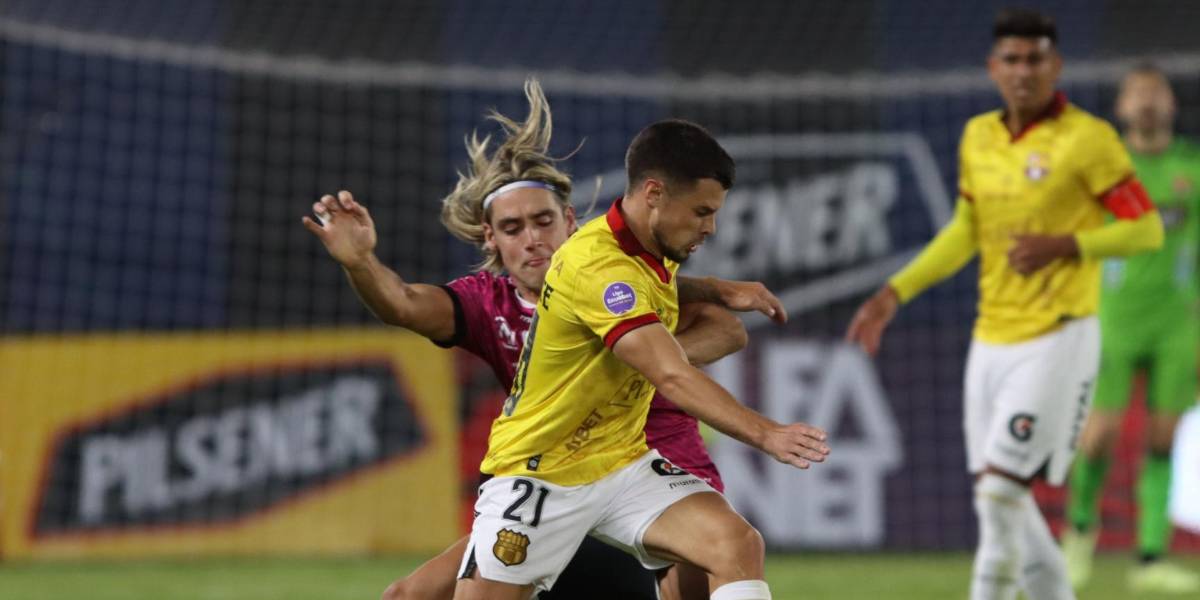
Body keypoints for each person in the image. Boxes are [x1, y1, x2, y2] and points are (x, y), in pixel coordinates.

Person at [302, 79, 781, 600]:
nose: (532, 239)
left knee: (727, 551)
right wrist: (361, 262)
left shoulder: (625, 268)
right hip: (544, 477)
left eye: (543, 221)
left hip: (645, 461)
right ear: (491, 238)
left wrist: (646, 354)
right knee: (407, 596)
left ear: (569, 221)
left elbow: (724, 328)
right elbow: (402, 304)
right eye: (512, 228)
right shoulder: (487, 304)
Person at [844, 9, 1164, 600]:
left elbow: (1145, 229)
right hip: (990, 340)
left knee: (998, 495)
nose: (1024, 71)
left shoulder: (1089, 139)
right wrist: (894, 292)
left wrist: (1066, 245)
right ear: (994, 68)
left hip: (1058, 336)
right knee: (1005, 501)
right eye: (1012, 60)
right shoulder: (979, 136)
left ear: (1055, 65)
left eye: (1035, 58)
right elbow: (965, 229)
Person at [453, 118, 830, 600]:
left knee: (735, 543)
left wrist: (714, 288)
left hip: (621, 463)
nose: (710, 227)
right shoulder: (597, 263)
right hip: (540, 471)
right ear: (654, 193)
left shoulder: (649, 245)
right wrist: (766, 433)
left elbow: (651, 289)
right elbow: (671, 375)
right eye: (701, 212)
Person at [1062, 65, 1200, 594]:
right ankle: (1079, 534)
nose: (1147, 102)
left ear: (1171, 104)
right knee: (1099, 435)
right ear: (1121, 108)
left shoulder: (1191, 168)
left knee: (1164, 438)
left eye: (1155, 93)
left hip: (1177, 323)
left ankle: (1149, 558)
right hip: (1114, 320)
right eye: (1137, 94)